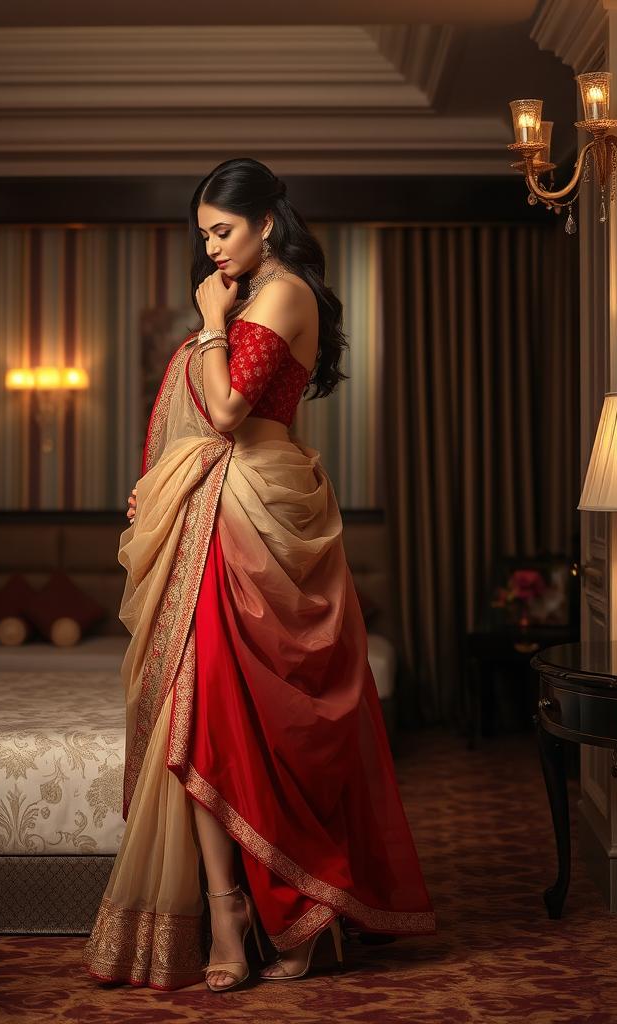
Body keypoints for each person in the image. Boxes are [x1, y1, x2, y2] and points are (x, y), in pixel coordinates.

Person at [83, 157, 434, 992]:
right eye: (203, 233)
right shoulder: (247, 291)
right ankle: (228, 911)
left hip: (258, 513)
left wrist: (209, 323)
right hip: (216, 504)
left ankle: (295, 910)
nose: (211, 249)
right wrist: (160, 484)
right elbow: (201, 425)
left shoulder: (280, 293)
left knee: (271, 725)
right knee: (194, 718)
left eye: (223, 230)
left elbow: (230, 411)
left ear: (267, 221)